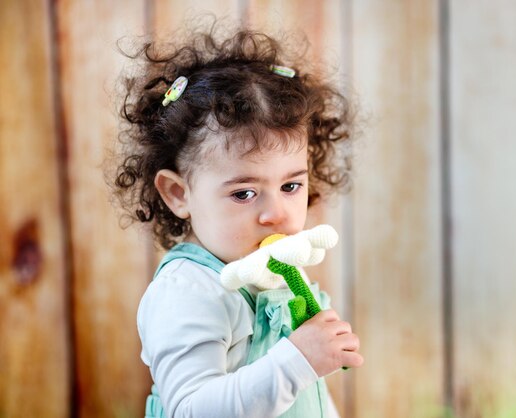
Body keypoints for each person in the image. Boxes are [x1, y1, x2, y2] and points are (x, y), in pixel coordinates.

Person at [111, 20, 363, 418]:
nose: (276, 214)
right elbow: (192, 410)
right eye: (244, 193)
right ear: (179, 194)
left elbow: (305, 397)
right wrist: (298, 359)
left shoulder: (275, 273)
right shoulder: (188, 293)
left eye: (291, 186)